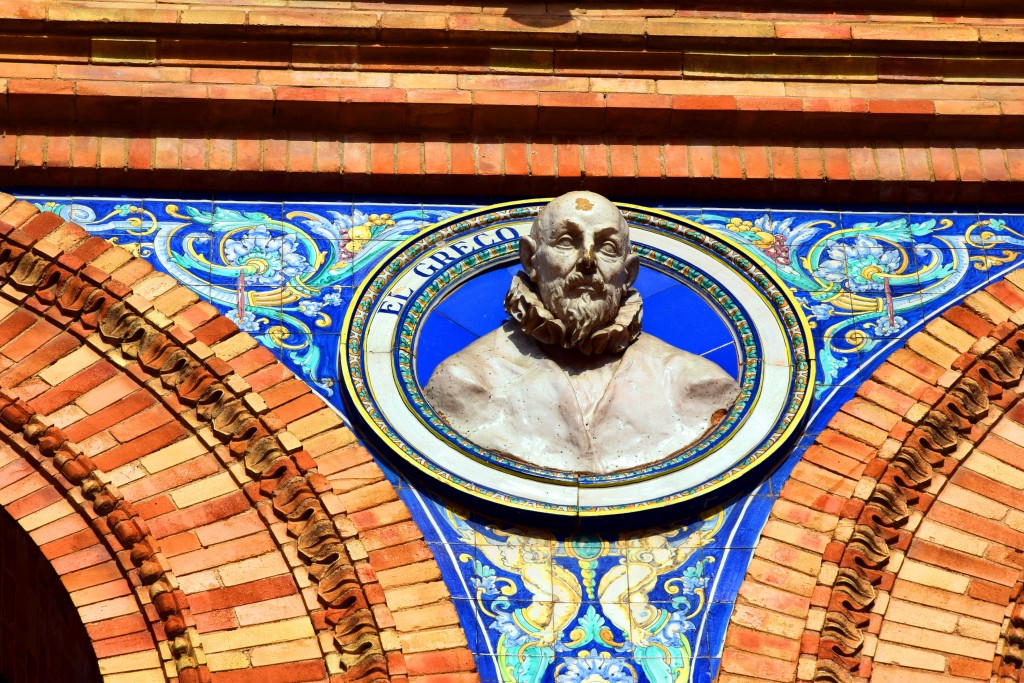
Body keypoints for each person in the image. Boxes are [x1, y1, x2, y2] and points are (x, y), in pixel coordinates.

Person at [423, 191, 738, 475]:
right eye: (566, 242)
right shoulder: (466, 380)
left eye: (607, 248)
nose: (587, 261)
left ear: (628, 272)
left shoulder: (693, 383)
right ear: (531, 259)